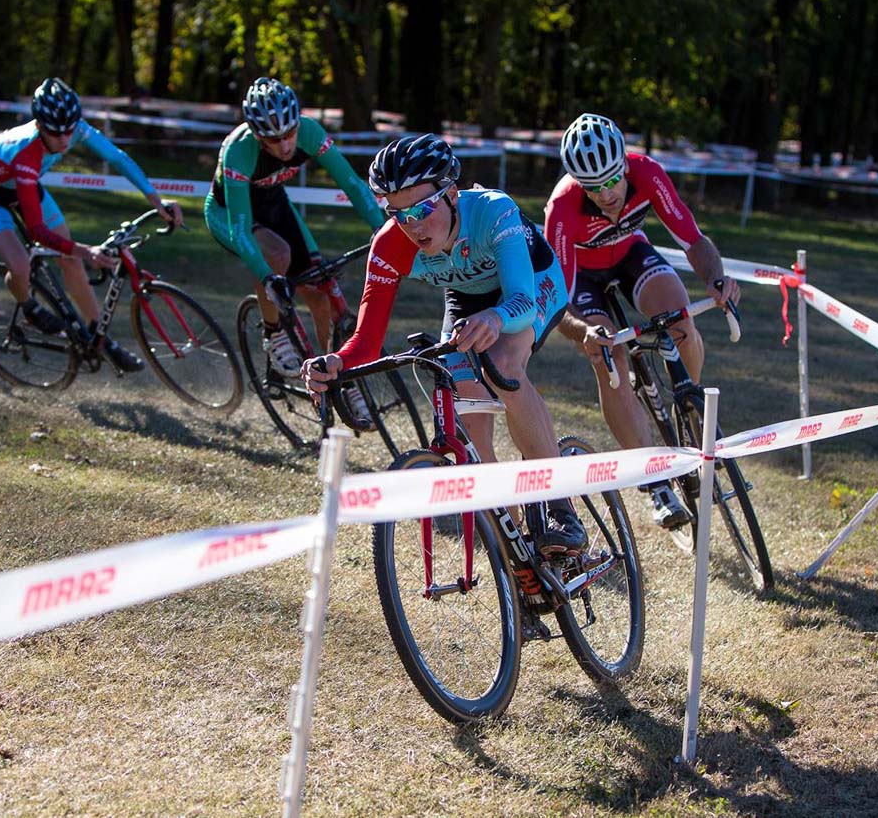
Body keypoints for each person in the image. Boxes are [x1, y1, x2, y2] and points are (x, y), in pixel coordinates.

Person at [302, 134, 588, 556]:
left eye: (422, 209)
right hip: (466, 298)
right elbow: (365, 339)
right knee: (464, 403)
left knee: (503, 363)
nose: (412, 225)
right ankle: (517, 550)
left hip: (530, 284)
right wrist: (335, 361)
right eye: (396, 212)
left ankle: (559, 509)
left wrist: (496, 318)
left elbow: (522, 302)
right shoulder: (388, 246)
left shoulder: (493, 211)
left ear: (452, 193)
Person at [545, 113, 740, 530]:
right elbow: (556, 300)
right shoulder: (562, 208)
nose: (606, 193)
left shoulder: (648, 172)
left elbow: (693, 240)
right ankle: (654, 482)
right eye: (592, 187)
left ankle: (688, 404)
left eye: (612, 180)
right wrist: (585, 334)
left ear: (625, 166)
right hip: (582, 279)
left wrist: (716, 277)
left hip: (632, 254)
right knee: (609, 357)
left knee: (681, 319)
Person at [0, 76, 183, 373]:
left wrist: (157, 201)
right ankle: (29, 308)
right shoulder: (26, 155)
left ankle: (101, 340)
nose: (66, 140)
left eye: (70, 130)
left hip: (25, 188)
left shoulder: (72, 127)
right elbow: (38, 233)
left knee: (71, 262)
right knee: (19, 266)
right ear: (40, 126)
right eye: (57, 134)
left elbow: (117, 159)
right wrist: (88, 251)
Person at [205, 77, 386, 384]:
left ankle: (338, 377)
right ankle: (273, 333)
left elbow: (353, 185)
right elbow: (240, 229)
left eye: (289, 134)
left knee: (320, 293)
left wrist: (382, 230)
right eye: (274, 140)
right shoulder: (238, 151)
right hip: (229, 214)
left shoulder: (310, 132)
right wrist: (268, 278)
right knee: (277, 255)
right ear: (258, 136)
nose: (286, 145)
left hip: (275, 206)